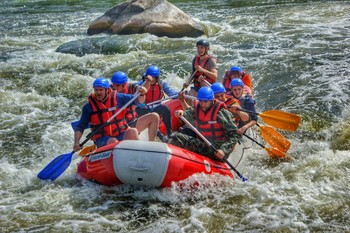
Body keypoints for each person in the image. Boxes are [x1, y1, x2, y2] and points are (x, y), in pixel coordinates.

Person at [72, 77, 148, 151]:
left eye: (101, 90)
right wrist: (76, 143)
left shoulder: (118, 98)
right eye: (96, 90)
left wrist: (142, 94)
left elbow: (138, 101)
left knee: (133, 131)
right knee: (113, 141)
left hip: (121, 133)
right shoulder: (88, 107)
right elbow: (80, 127)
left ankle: (139, 155)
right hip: (102, 138)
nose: (98, 92)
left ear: (107, 90)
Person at [169, 86, 240, 161]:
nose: (202, 104)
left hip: (217, 150)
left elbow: (234, 134)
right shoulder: (197, 107)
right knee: (176, 137)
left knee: (178, 138)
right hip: (203, 144)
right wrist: (180, 113)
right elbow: (186, 116)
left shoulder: (221, 113)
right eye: (201, 101)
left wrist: (224, 150)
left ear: (212, 100)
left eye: (205, 101)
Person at [111, 71, 159, 141]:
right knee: (131, 131)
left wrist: (146, 85)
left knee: (155, 116)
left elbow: (141, 98)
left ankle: (152, 144)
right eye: (114, 85)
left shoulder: (132, 87)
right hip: (119, 126)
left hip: (133, 122)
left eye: (118, 85)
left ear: (124, 84)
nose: (115, 87)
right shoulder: (109, 91)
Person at [135, 65, 178, 142]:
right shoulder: (141, 84)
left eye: (153, 77)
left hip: (156, 107)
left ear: (157, 77)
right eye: (149, 77)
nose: (151, 79)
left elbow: (172, 94)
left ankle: (170, 133)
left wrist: (180, 94)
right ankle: (161, 137)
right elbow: (133, 93)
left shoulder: (162, 84)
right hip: (144, 107)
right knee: (147, 113)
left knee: (165, 109)